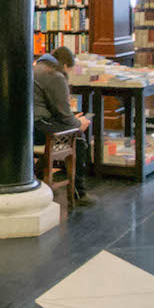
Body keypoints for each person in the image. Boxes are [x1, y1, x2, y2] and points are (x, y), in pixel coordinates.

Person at [33, 46, 93, 205]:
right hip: (39, 125)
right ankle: (78, 192)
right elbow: (65, 115)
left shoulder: (38, 67)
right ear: (66, 66)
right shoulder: (55, 75)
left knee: (68, 131)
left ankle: (37, 175)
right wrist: (79, 123)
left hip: (29, 125)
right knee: (78, 137)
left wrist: (72, 120)